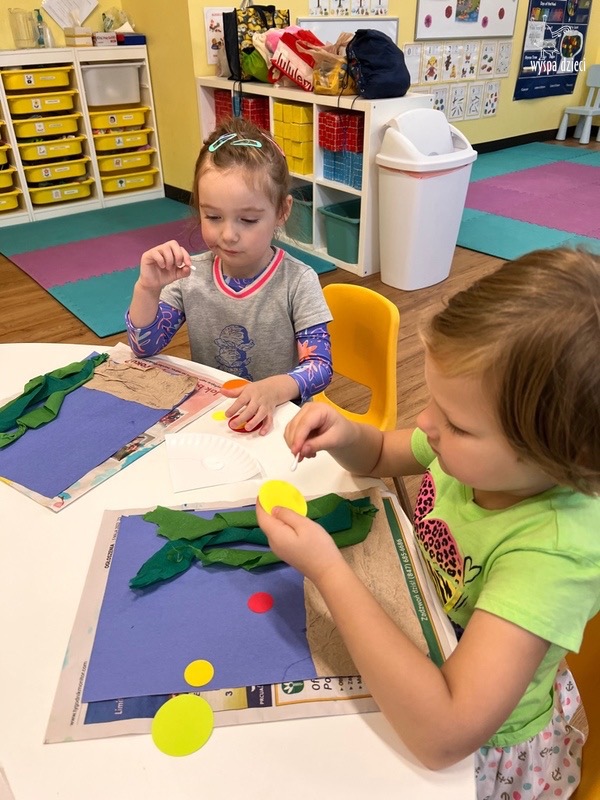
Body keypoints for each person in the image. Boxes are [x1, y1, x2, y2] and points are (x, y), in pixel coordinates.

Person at [257, 247, 600, 799]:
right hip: (423, 636)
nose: (425, 422)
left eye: (457, 425)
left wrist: (328, 570)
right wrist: (345, 433)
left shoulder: (551, 555)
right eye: (434, 401)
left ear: (558, 458)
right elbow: (381, 455)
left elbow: (444, 735)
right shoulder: (473, 455)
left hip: (488, 757)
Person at [126, 116, 332, 434]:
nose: (228, 235)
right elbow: (145, 347)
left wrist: (274, 389)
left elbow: (320, 367)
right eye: (213, 216)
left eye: (247, 220)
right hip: (215, 417)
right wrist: (147, 289)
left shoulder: (298, 281)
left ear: (282, 211)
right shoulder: (190, 275)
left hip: (280, 423)